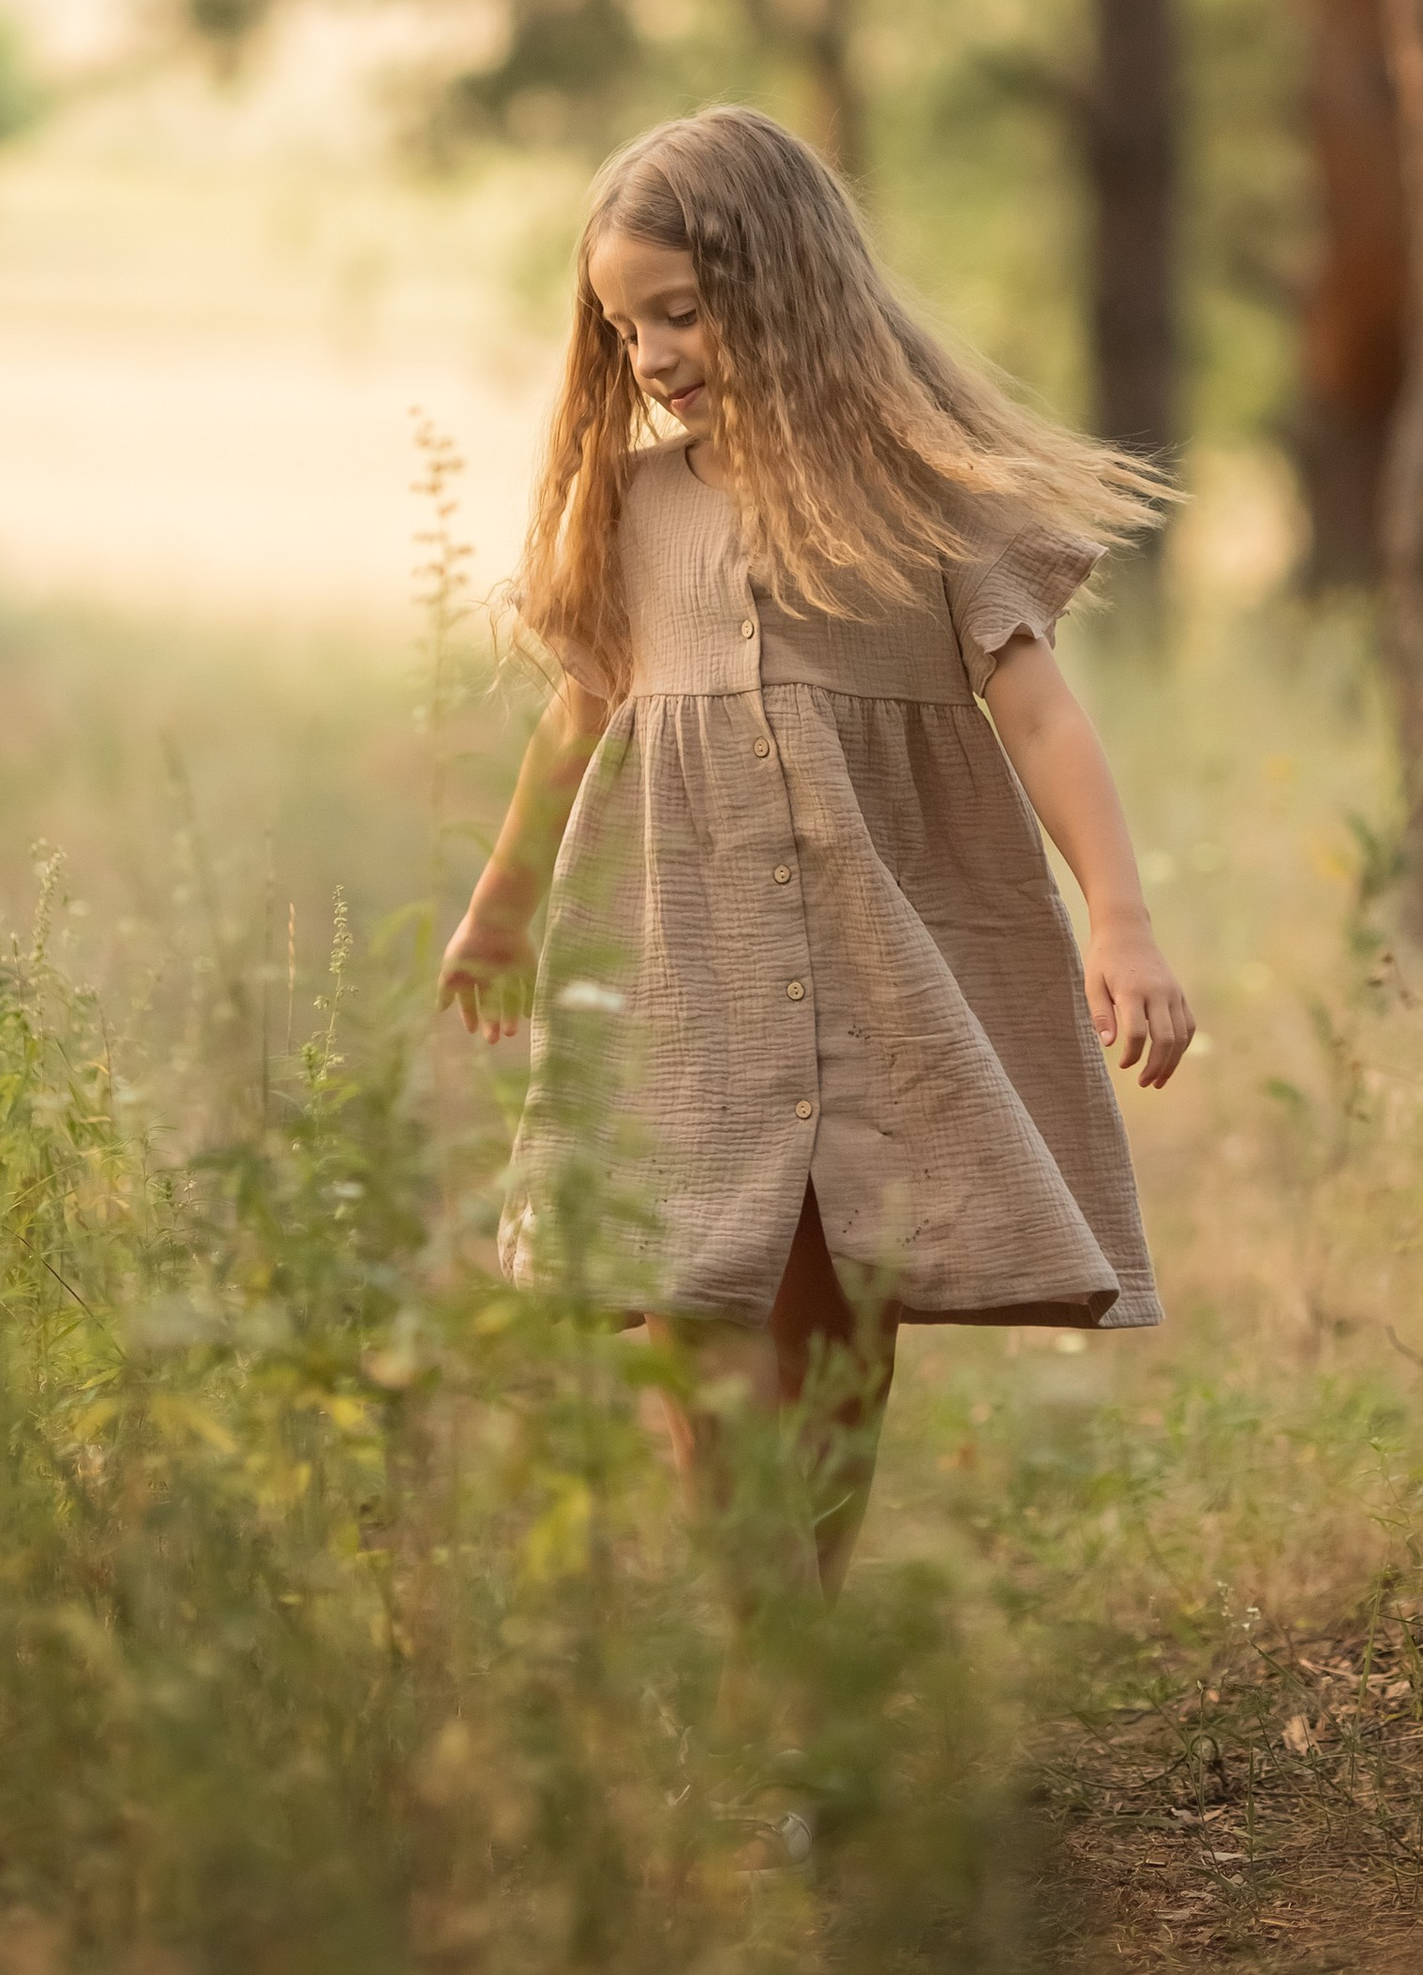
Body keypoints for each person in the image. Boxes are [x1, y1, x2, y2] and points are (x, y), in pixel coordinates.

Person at [437, 103, 1193, 1593]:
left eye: (682, 311)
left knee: (840, 1313)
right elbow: (582, 715)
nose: (650, 356)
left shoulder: (929, 504)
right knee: (694, 1308)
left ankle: (808, 1637)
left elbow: (1042, 721)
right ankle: (760, 1665)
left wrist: (1123, 922)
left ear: (788, 286)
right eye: (622, 327)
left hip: (882, 973)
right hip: (683, 969)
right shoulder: (633, 509)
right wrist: (500, 909)